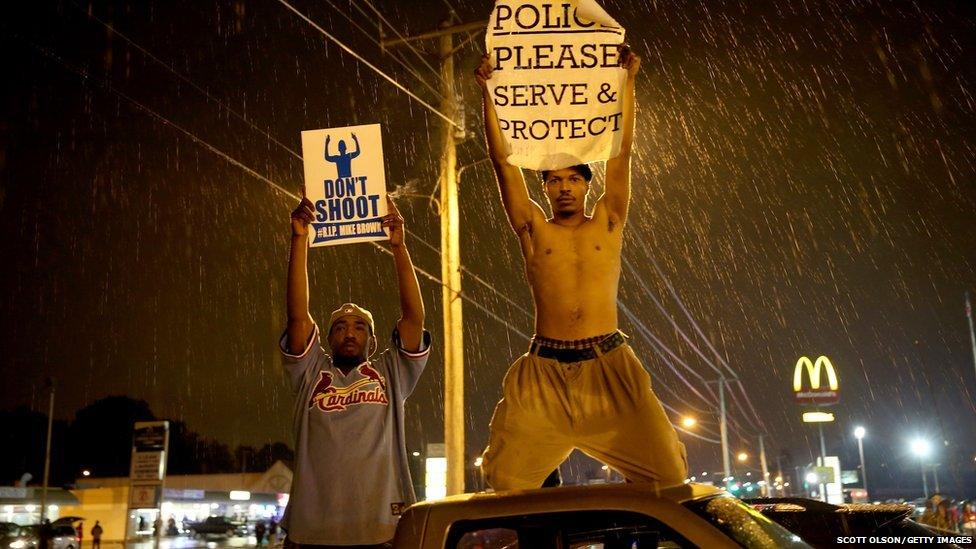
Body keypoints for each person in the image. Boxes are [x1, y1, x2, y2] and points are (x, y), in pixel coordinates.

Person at [473, 46, 688, 490]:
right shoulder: (533, 228)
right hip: (545, 371)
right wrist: (488, 92)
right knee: (507, 482)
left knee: (668, 475)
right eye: (555, 179)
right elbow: (501, 160)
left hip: (608, 364)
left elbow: (621, 152)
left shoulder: (608, 221)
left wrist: (628, 83)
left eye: (574, 178)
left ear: (586, 185)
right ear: (546, 187)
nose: (564, 187)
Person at [281, 191, 430, 547]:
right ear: (326, 339)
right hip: (312, 533)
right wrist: (299, 239)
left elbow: (414, 319)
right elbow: (297, 317)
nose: (349, 331)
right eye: (340, 326)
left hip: (380, 530)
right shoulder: (311, 374)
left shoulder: (390, 374)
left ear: (374, 341)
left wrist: (399, 248)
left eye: (359, 326)